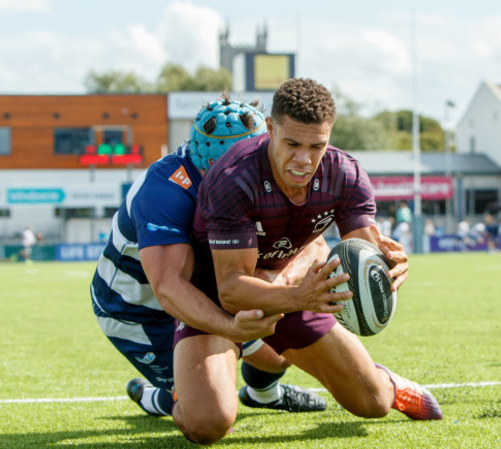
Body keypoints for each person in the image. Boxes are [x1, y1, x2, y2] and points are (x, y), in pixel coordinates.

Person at [173, 78, 442, 445]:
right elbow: (232, 290)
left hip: (296, 292)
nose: (303, 159)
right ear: (270, 129)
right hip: (217, 298)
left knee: (373, 403)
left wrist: (388, 265)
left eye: (317, 146)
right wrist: (298, 295)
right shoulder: (234, 177)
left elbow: (362, 252)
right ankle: (180, 395)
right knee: (207, 424)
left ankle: (389, 383)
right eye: (292, 144)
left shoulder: (345, 174)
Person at [89, 94, 326, 418]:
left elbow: (311, 242)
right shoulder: (163, 190)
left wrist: (279, 281)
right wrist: (231, 330)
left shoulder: (271, 171)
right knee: (203, 402)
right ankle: (156, 396)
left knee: (278, 353)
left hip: (206, 288)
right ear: (207, 162)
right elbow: (169, 287)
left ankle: (264, 394)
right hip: (139, 309)